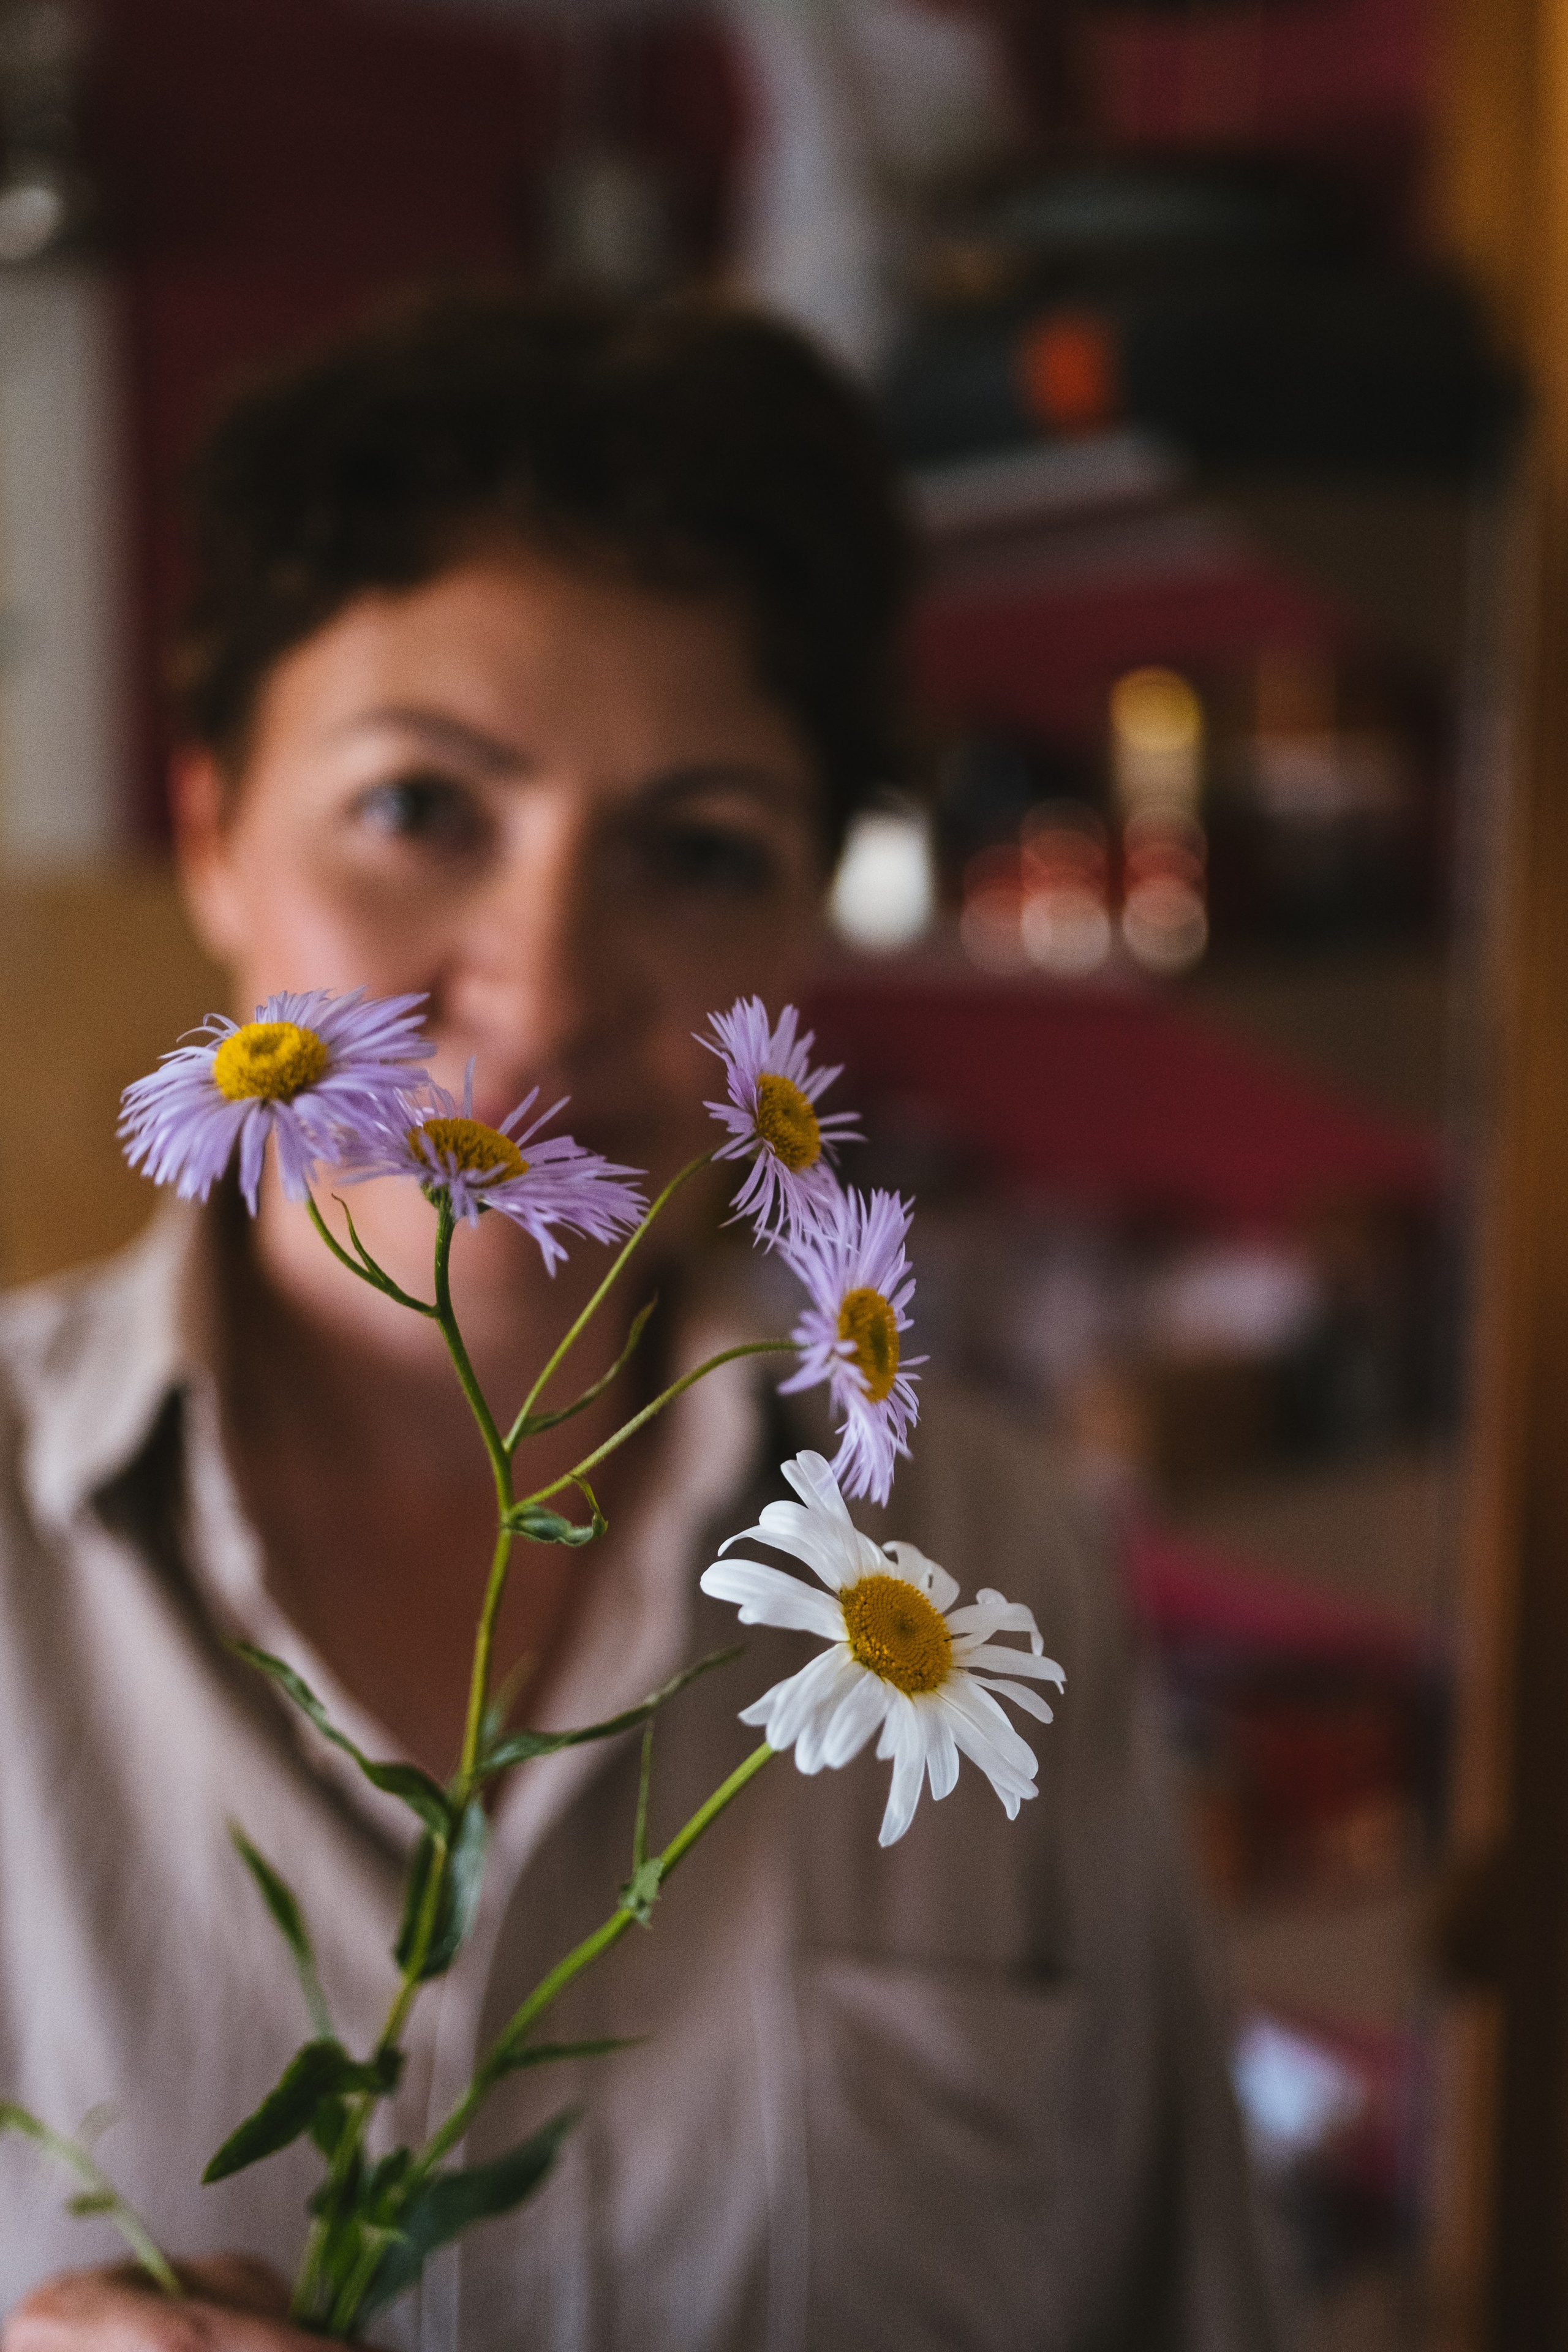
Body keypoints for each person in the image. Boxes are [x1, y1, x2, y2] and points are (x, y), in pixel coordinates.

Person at [0, 292, 1280, 2350]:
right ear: (219, 835)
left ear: (791, 931)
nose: (542, 976)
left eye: (694, 848)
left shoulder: (988, 1561)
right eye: (424, 807)